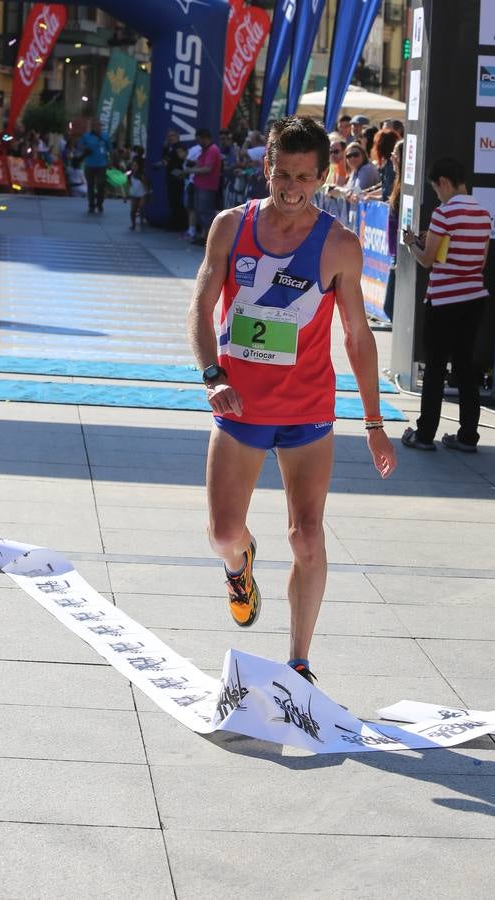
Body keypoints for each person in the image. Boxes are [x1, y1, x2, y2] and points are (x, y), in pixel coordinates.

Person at [187, 116, 396, 684]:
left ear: (324, 175)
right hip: (239, 408)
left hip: (307, 411)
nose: (293, 188)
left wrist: (374, 422)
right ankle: (240, 565)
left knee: (307, 534)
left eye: (306, 177)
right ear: (267, 167)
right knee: (224, 533)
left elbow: (356, 336)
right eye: (284, 174)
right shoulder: (231, 227)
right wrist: (213, 376)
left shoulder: (339, 245)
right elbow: (201, 306)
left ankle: (300, 660)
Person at [401, 157, 491, 453]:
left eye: (436, 190)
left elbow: (427, 260)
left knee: (436, 368)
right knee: (466, 368)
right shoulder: (482, 212)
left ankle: (425, 434)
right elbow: (479, 261)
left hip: (443, 298)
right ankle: (468, 436)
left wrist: (413, 244)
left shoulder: (444, 213)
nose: (437, 196)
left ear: (443, 182)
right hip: (474, 296)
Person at [189, 127, 222, 245]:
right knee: (200, 210)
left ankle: (208, 238)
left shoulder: (212, 150)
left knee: (206, 212)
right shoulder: (205, 150)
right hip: (200, 184)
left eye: (199, 140)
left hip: (207, 186)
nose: (198, 143)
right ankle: (203, 236)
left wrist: (190, 170)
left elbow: (208, 169)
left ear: (205, 138)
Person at [383, 139, 403, 321]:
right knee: (389, 308)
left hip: (400, 252)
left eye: (395, 155)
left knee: (389, 307)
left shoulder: (406, 188)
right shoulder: (397, 183)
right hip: (395, 253)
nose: (392, 159)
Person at [77, 117, 112, 214]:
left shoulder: (105, 136)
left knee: (101, 185)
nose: (97, 127)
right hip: (89, 164)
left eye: (99, 126)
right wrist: (85, 149)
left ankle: (100, 204)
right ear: (92, 127)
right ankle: (91, 205)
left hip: (102, 165)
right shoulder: (86, 136)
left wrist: (110, 161)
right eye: (95, 126)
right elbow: (79, 146)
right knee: (90, 185)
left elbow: (110, 149)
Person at [127, 156, 149, 230]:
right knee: (133, 210)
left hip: (142, 193)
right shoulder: (130, 174)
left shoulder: (141, 175)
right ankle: (133, 224)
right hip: (134, 193)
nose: (134, 167)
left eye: (135, 166)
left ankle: (142, 221)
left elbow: (145, 184)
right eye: (133, 166)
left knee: (141, 208)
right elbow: (129, 184)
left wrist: (148, 192)